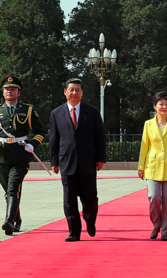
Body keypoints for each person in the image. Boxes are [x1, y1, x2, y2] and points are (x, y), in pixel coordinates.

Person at [49, 78, 106, 242]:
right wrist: (54, 161)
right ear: (65, 92)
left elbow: (100, 137)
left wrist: (101, 158)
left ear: (82, 92)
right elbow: (53, 139)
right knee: (69, 200)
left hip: (88, 162)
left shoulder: (92, 112)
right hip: (66, 163)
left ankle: (90, 220)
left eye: (77, 90)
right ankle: (74, 232)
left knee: (90, 198)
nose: (74, 93)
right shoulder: (56, 113)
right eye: (71, 90)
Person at [137, 91, 167, 241]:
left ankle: (165, 231)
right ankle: (156, 224)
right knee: (154, 197)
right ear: (155, 106)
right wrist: (141, 166)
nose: (164, 106)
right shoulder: (148, 124)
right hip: (152, 166)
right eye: (161, 104)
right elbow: (144, 146)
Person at [0, 75, 45, 235]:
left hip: (20, 155)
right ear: (3, 92)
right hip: (2, 156)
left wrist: (33, 144)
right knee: (8, 190)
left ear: (18, 92)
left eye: (12, 89)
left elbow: (41, 131)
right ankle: (16, 218)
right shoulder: (0, 110)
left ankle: (9, 221)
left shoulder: (28, 110)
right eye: (6, 89)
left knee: (13, 188)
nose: (9, 92)